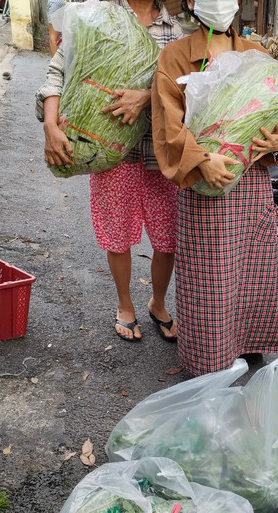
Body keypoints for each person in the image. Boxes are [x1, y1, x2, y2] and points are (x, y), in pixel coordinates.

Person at [151, 0, 278, 376]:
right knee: (209, 273)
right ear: (191, 3)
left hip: (250, 183)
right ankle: (208, 356)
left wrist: (276, 145)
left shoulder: (256, 54)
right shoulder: (176, 56)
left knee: (253, 267)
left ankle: (249, 343)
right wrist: (201, 160)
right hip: (206, 185)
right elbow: (169, 125)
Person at [37, 0, 185, 343]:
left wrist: (146, 98)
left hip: (161, 152)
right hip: (109, 150)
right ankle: (124, 305)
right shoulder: (97, 17)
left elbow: (183, 88)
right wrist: (49, 124)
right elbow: (59, 69)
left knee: (168, 238)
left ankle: (158, 303)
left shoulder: (175, 30)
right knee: (117, 234)